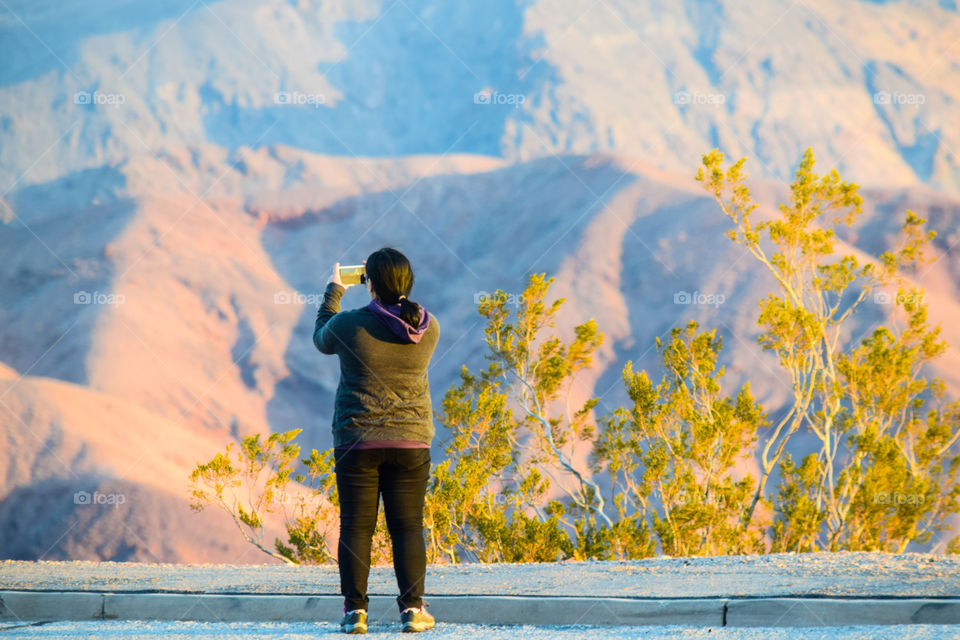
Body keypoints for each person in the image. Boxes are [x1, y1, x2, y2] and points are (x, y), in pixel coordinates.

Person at [313, 247, 440, 634]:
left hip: (357, 441)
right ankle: (413, 611)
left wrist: (334, 291)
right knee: (407, 528)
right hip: (411, 441)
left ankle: (355, 613)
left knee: (356, 527)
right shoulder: (428, 327)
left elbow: (321, 337)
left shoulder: (350, 325)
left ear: (369, 283)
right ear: (408, 281)